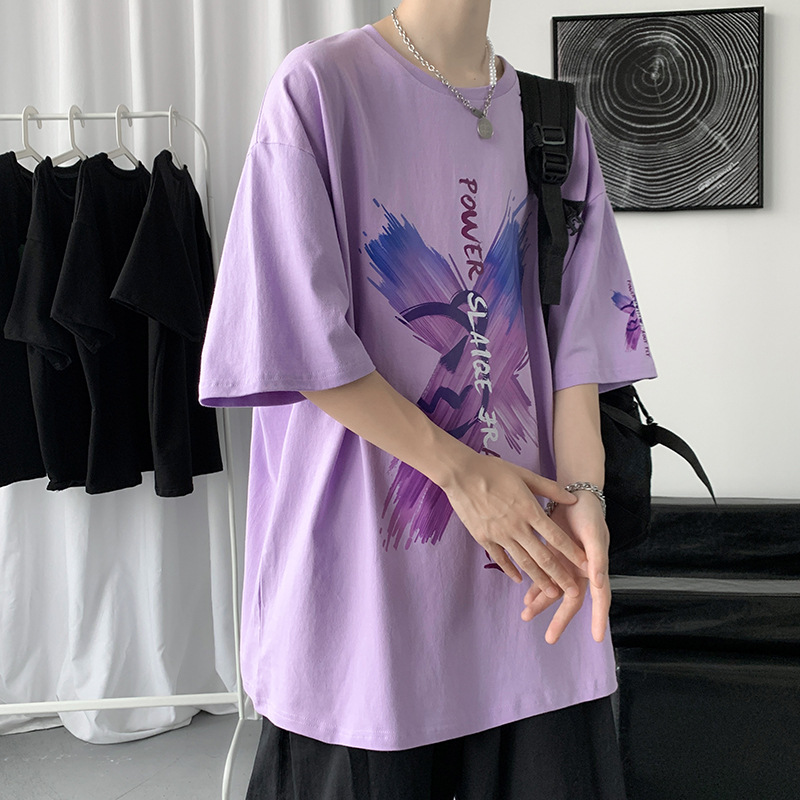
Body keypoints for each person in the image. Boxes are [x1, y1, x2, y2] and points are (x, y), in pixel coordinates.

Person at [199, 0, 657, 797]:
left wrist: (587, 495)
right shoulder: (320, 90)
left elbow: (578, 345)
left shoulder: (554, 122)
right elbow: (297, 335)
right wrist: (464, 475)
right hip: (366, 616)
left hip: (531, 597)